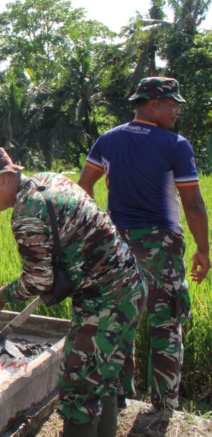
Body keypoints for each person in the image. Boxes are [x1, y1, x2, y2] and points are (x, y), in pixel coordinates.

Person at [0, 147, 145, 437]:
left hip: (105, 300)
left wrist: (0, 297)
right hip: (129, 285)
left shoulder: (27, 213)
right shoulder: (50, 179)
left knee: (78, 388)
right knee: (102, 380)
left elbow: (38, 280)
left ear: (3, 179)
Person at [77, 76, 210, 413]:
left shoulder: (108, 140)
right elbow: (193, 204)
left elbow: (83, 188)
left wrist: (99, 228)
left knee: (118, 318)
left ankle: (118, 396)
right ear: (153, 105)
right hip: (161, 246)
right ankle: (164, 405)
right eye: (173, 104)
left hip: (117, 244)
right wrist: (203, 249)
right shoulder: (176, 145)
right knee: (166, 323)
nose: (178, 111)